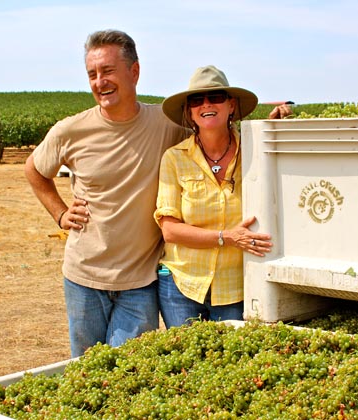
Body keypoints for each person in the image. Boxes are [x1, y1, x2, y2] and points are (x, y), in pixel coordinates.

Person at [24, 29, 184, 357]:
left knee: (128, 375)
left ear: (134, 71)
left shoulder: (165, 123)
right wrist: (60, 212)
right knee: (84, 373)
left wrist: (271, 123)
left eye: (108, 71)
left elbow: (214, 133)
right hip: (83, 277)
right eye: (92, 75)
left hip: (139, 283)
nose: (100, 82)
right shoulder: (71, 130)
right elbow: (35, 170)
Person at [154, 65, 273, 328]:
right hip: (181, 284)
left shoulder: (256, 154)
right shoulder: (174, 158)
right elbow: (170, 231)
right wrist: (227, 237)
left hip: (236, 287)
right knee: (186, 364)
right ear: (189, 112)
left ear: (231, 105)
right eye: (197, 100)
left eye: (215, 97)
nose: (206, 104)